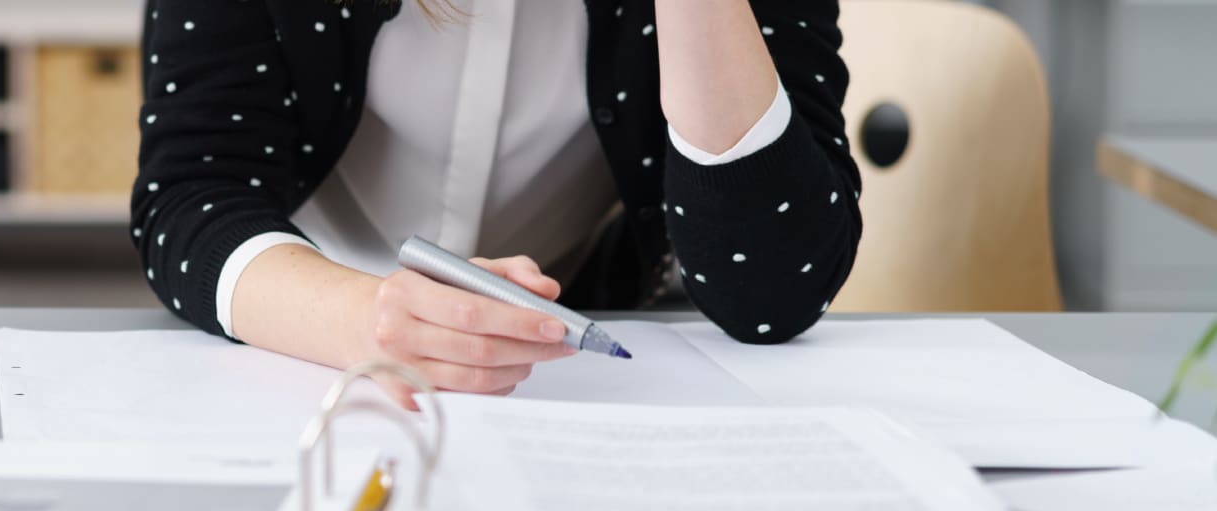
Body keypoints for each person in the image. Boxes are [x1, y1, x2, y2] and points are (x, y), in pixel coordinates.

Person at [130, 0, 860, 400]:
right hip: (300, 338)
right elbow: (191, 194)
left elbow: (773, 289)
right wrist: (363, 319)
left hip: (575, 365)